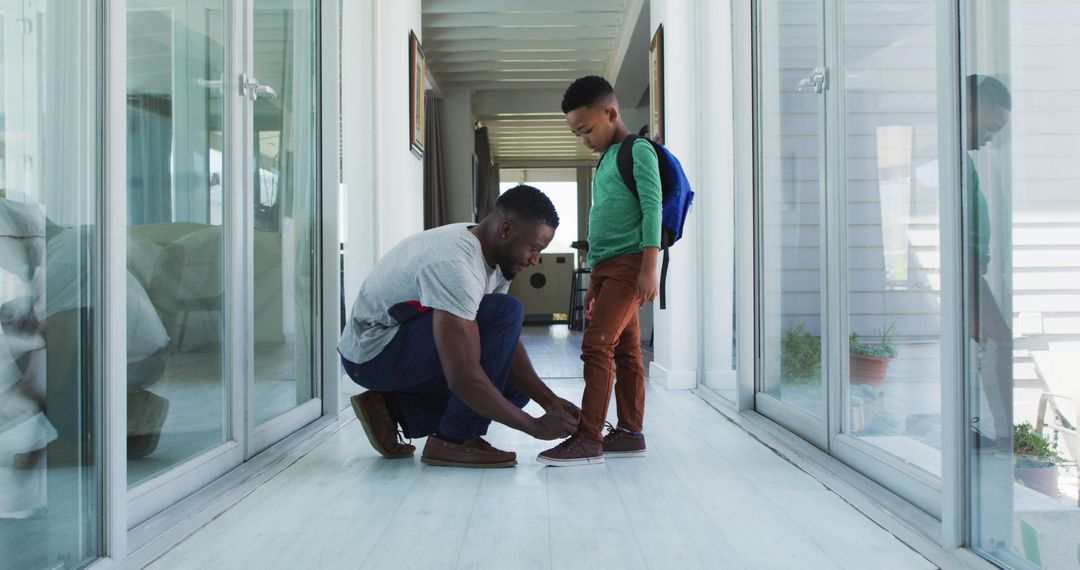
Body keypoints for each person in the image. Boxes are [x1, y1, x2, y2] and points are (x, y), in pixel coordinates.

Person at [339, 185, 581, 468]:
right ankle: (453, 440)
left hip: (398, 346)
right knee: (506, 313)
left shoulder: (497, 255)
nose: (535, 259)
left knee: (516, 388)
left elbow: (503, 343)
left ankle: (392, 411)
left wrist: (549, 401)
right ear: (505, 230)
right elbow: (462, 375)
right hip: (370, 353)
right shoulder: (455, 263)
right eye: (534, 248)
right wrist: (535, 427)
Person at [537, 76, 661, 466]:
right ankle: (630, 432)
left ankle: (589, 437)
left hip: (631, 266)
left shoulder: (637, 150)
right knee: (625, 351)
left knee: (597, 345)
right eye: (577, 133)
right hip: (608, 268)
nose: (584, 138)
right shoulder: (607, 159)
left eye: (587, 129)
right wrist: (594, 281)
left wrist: (650, 268)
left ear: (611, 113)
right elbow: (604, 228)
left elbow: (652, 208)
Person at [967, 74, 1013, 451]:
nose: (991, 137)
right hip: (965, 270)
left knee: (990, 342)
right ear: (972, 109)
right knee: (997, 340)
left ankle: (993, 434)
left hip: (971, 269)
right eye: (991, 126)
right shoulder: (954, 159)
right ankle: (1003, 438)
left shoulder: (962, 160)